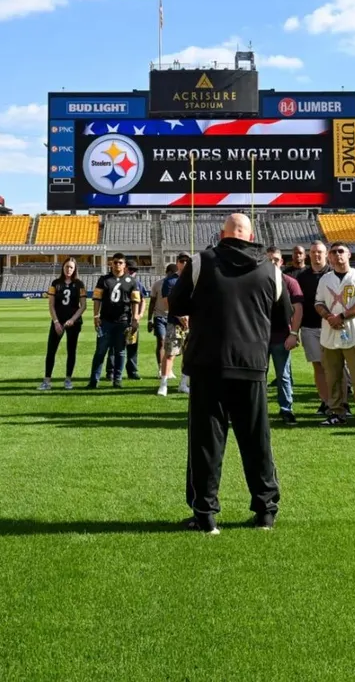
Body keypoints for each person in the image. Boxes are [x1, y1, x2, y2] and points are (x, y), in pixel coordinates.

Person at [170, 214, 291, 534]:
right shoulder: (271, 269)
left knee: (206, 442)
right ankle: (266, 510)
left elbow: (177, 304)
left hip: (208, 364)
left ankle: (205, 514)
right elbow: (283, 319)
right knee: (257, 440)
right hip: (252, 364)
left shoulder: (201, 262)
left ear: (222, 234)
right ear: (252, 235)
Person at [315, 243, 355, 429]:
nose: (337, 255)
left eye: (341, 251)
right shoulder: (325, 279)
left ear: (349, 254)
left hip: (354, 334)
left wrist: (340, 317)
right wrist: (328, 317)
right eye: (333, 252)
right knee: (333, 378)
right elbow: (318, 303)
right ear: (329, 257)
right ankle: (336, 413)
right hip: (330, 334)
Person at [88, 253, 141, 388]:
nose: (117, 265)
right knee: (100, 351)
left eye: (120, 262)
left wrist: (135, 318)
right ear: (111, 263)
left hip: (123, 321)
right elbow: (97, 299)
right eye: (115, 262)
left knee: (120, 351)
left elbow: (135, 301)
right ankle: (94, 380)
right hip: (106, 321)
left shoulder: (132, 281)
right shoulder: (104, 279)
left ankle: (117, 379)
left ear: (124, 265)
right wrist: (96, 316)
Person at [265, 246, 304, 425]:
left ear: (281, 262)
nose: (272, 263)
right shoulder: (258, 282)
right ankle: (257, 409)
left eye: (275, 260)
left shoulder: (289, 282)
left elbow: (298, 310)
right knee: (258, 376)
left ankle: (286, 409)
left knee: (283, 375)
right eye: (269, 259)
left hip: (282, 336)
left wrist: (294, 334)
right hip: (260, 338)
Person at [291, 242, 328, 413]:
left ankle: (340, 401)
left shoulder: (333, 273)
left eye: (320, 252)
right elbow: (297, 305)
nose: (316, 255)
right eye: (313, 252)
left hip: (331, 326)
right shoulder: (302, 276)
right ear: (309, 255)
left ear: (326, 254)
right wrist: (294, 330)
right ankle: (325, 401)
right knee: (318, 366)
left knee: (336, 367)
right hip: (309, 327)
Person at [41, 258, 86, 390]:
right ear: (63, 267)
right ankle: (47, 380)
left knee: (71, 351)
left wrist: (72, 319)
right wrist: (56, 322)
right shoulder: (55, 283)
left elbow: (83, 306)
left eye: (71, 267)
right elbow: (51, 305)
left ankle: (68, 379)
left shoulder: (79, 284)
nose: (69, 270)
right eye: (67, 267)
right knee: (51, 350)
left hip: (74, 322)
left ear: (75, 269)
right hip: (58, 321)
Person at [152, 255, 189, 396]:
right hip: (175, 322)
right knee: (170, 353)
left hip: (190, 323)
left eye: (187, 261)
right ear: (177, 263)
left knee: (188, 355)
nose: (184, 263)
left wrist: (189, 317)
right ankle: (164, 384)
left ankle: (183, 383)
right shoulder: (170, 281)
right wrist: (181, 316)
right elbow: (168, 303)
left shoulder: (193, 279)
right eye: (181, 261)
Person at [118, 259, 147, 382]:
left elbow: (143, 300)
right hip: (119, 319)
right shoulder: (118, 282)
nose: (133, 272)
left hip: (132, 319)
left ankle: (132, 371)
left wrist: (139, 315)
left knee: (132, 347)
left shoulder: (137, 284)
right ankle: (112, 372)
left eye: (134, 270)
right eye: (131, 270)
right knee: (116, 347)